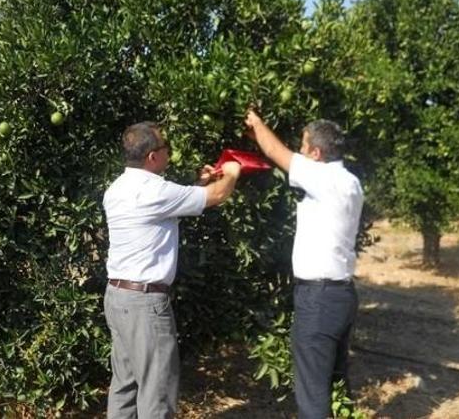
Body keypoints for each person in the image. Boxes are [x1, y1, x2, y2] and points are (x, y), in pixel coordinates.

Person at [103, 121, 241, 418]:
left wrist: (201, 183)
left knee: (125, 386)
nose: (170, 153)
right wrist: (232, 173)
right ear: (152, 156)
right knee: (158, 392)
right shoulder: (154, 191)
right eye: (166, 148)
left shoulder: (117, 188)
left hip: (117, 297)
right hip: (145, 304)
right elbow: (217, 196)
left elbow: (174, 204)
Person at [243, 109, 363, 419]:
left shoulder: (322, 176)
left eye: (303, 144)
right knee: (335, 382)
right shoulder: (350, 181)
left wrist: (256, 122)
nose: (299, 150)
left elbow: (274, 151)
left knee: (312, 395)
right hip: (342, 295)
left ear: (316, 152)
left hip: (319, 299)